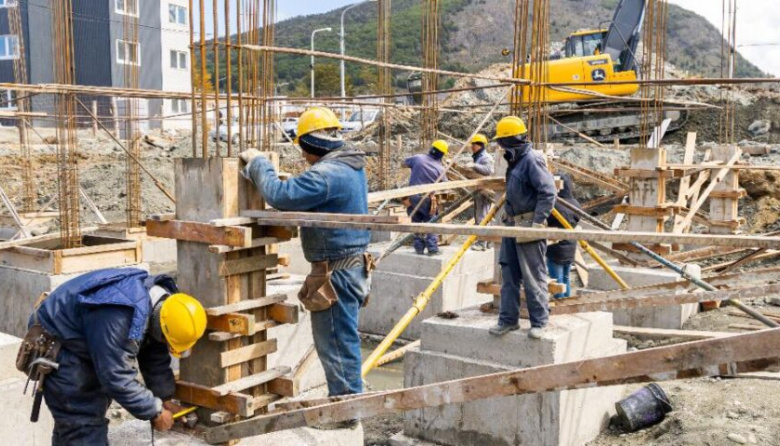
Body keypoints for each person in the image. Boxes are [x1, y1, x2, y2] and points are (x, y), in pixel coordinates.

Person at [239, 107, 371, 428]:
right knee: (343, 340)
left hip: (336, 271)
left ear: (311, 145)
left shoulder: (328, 175)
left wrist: (259, 164)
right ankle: (348, 405)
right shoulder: (348, 165)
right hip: (349, 265)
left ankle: (345, 414)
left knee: (337, 343)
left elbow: (280, 195)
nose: (304, 157)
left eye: (304, 150)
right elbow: (307, 192)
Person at [23, 267, 207, 445]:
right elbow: (115, 377)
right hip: (62, 349)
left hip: (87, 340)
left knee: (73, 431)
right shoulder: (120, 315)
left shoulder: (162, 307)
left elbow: (154, 352)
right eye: (167, 341)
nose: (166, 345)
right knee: (83, 425)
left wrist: (164, 398)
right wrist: (154, 411)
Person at [488, 116, 557, 340]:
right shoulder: (515, 160)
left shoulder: (532, 160)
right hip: (512, 223)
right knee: (508, 272)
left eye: (501, 142)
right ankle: (508, 320)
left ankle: (539, 321)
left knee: (532, 275)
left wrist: (537, 223)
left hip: (528, 224)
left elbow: (548, 192)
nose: (499, 147)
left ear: (509, 140)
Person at [403, 140, 449, 256]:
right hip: (427, 200)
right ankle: (432, 249)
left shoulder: (418, 158)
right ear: (442, 154)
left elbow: (404, 163)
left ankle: (419, 248)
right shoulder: (440, 169)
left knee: (416, 222)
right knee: (431, 223)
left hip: (413, 197)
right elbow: (445, 186)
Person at [546, 174, 581, 298]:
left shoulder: (554, 204)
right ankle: (567, 305)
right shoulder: (575, 203)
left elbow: (545, 220)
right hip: (571, 246)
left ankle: (560, 307)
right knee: (566, 278)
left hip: (556, 248)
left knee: (557, 280)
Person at [465, 133, 495, 251]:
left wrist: (474, 165)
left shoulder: (485, 157)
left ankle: (482, 243)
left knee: (482, 217)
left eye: (474, 144)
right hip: (480, 191)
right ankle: (487, 243)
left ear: (481, 145)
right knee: (481, 217)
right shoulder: (478, 157)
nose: (472, 147)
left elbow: (488, 170)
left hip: (485, 191)